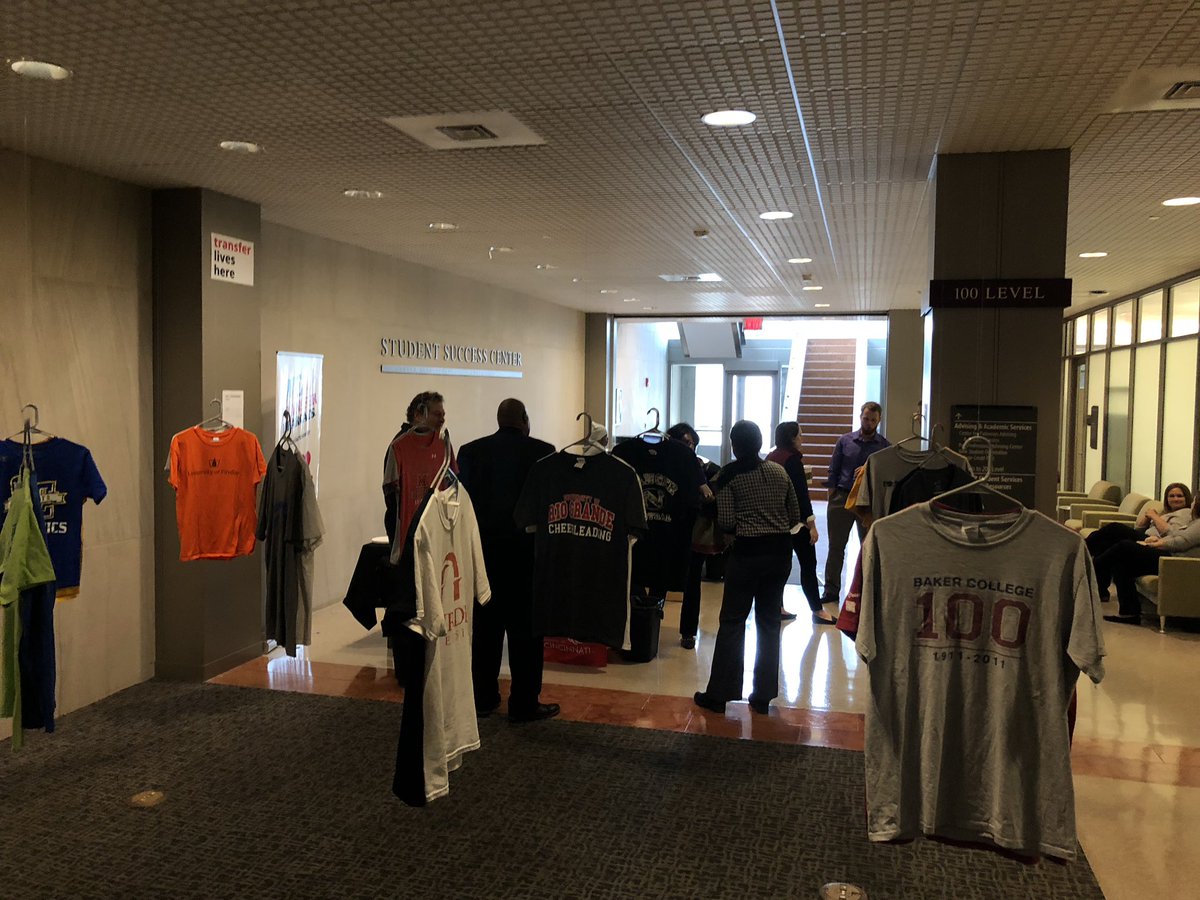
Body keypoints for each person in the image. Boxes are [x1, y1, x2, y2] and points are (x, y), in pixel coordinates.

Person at [457, 399, 560, 723]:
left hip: (484, 554)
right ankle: (524, 702)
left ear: (498, 420)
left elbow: (461, 503)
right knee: (526, 634)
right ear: (525, 420)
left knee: (486, 631)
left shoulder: (470, 452)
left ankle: (483, 698)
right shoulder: (543, 452)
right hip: (526, 556)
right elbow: (551, 505)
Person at [694, 420, 801, 716]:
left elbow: (727, 522)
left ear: (734, 445)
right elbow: (794, 514)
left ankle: (720, 694)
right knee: (768, 625)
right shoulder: (778, 471)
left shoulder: (730, 475)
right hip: (779, 555)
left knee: (732, 622)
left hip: (747, 556)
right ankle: (763, 696)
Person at [1094, 491, 1200, 624]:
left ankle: (1093, 565)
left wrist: (1157, 544)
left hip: (1175, 563)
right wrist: (1158, 539)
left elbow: (1181, 542)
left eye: (1194, 501)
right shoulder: (1195, 522)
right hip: (1170, 558)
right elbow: (1175, 534)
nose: (1193, 504)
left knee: (1124, 546)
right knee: (1122, 561)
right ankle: (1129, 613)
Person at [766, 421, 833, 625]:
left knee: (778, 567)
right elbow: (801, 496)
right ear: (792, 438)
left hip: (774, 521)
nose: (802, 439)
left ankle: (777, 606)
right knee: (808, 565)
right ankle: (817, 610)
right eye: (800, 435)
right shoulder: (793, 460)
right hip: (795, 523)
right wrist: (811, 525)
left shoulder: (771, 457)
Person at [823, 401, 889, 604]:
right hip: (842, 497)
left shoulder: (885, 447)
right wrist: (831, 497)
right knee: (836, 546)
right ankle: (831, 591)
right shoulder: (845, 441)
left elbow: (886, 476)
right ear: (860, 417)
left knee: (868, 547)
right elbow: (833, 469)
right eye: (865, 418)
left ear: (878, 421)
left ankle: (867, 591)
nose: (868, 423)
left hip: (867, 501)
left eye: (873, 420)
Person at [666, 422, 716, 649]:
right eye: (685, 442)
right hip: (665, 529)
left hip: (692, 532)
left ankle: (688, 632)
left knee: (692, 581)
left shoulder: (701, 467)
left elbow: (710, 496)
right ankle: (651, 620)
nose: (690, 446)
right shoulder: (664, 464)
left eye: (692, 443)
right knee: (658, 578)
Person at [382, 391, 448, 543]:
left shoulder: (442, 444)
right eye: (437, 414)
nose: (442, 420)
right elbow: (391, 497)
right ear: (418, 414)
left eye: (443, 415)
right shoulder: (399, 447)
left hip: (433, 528)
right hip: (408, 531)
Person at [1085, 483, 1192, 575]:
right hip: (1145, 537)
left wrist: (1154, 517)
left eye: (1179, 496)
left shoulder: (1186, 513)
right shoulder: (1166, 513)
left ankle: (1084, 551)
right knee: (1106, 542)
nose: (1175, 499)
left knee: (1115, 528)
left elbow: (1171, 534)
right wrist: (1147, 517)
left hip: (1156, 543)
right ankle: (1101, 589)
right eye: (1171, 496)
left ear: (1186, 498)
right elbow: (1139, 528)